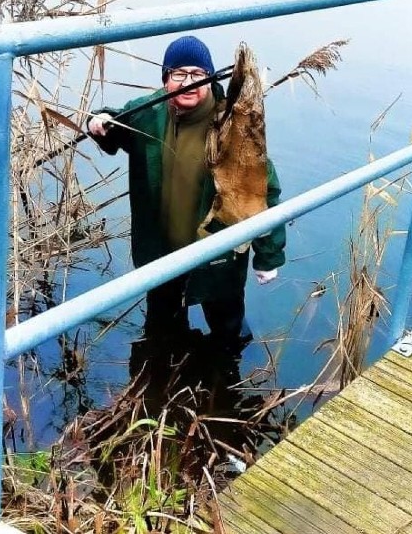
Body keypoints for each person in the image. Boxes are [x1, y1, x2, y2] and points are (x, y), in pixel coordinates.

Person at [87, 35, 286, 348]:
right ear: (167, 79)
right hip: (161, 253)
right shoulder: (146, 114)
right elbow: (113, 129)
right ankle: (157, 383)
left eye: (197, 74)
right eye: (179, 73)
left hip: (217, 254)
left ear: (209, 77)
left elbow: (264, 192)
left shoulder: (232, 127)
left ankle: (225, 377)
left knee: (229, 331)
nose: (189, 82)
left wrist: (269, 254)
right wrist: (98, 121)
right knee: (159, 332)